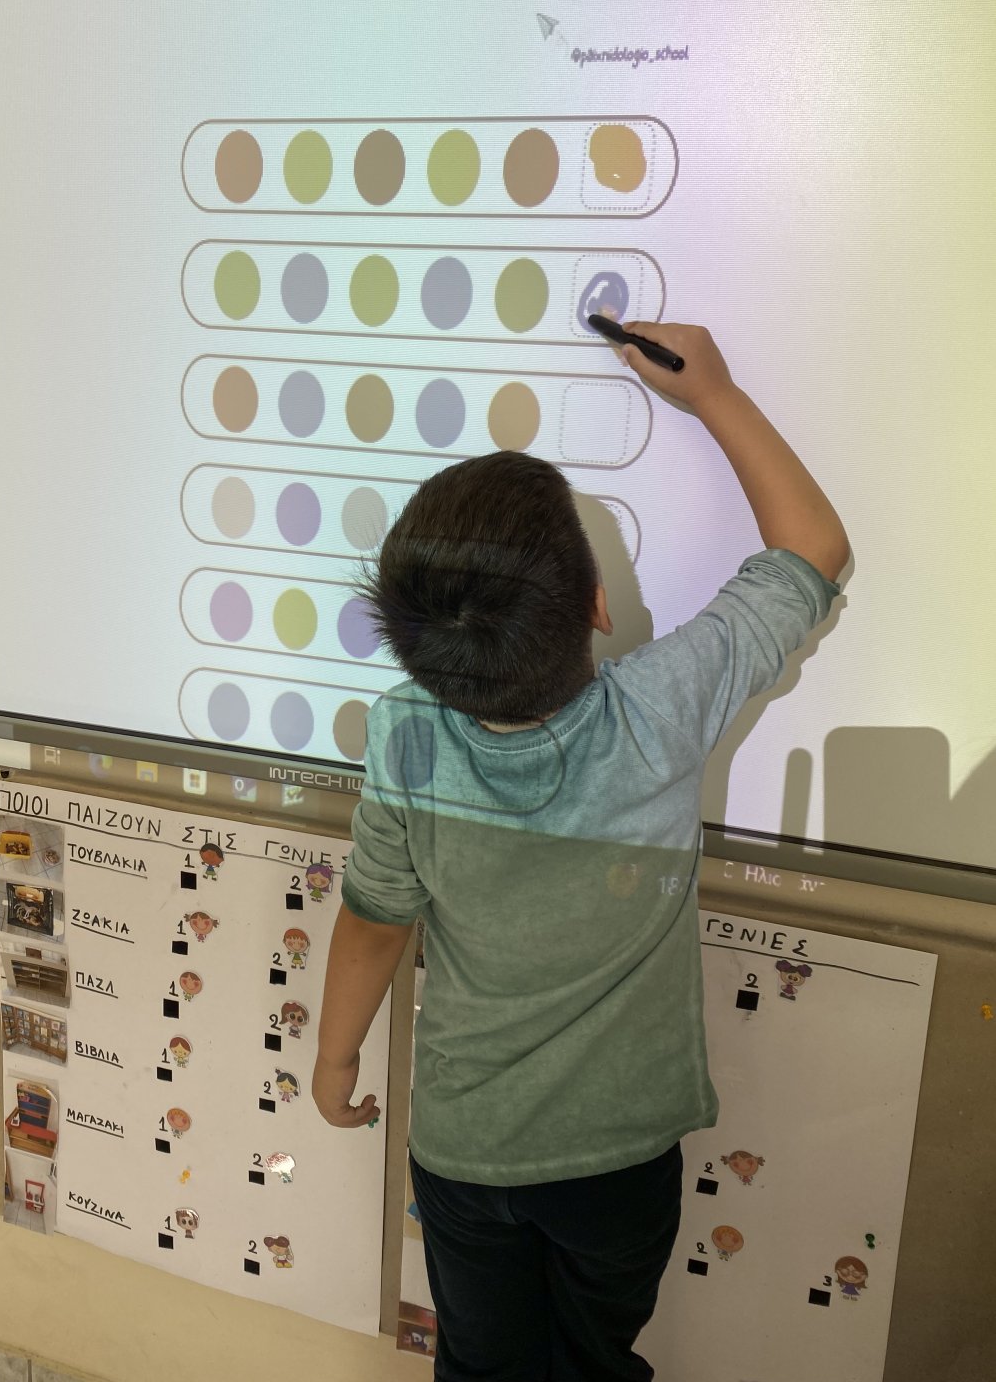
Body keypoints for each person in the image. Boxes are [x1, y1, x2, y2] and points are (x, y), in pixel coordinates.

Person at [312, 324, 849, 1382]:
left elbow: (374, 925)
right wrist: (715, 394)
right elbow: (813, 549)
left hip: (465, 1152)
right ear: (599, 607)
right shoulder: (661, 711)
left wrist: (334, 1060)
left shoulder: (404, 733)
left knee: (480, 1361)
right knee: (594, 1359)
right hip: (619, 1163)